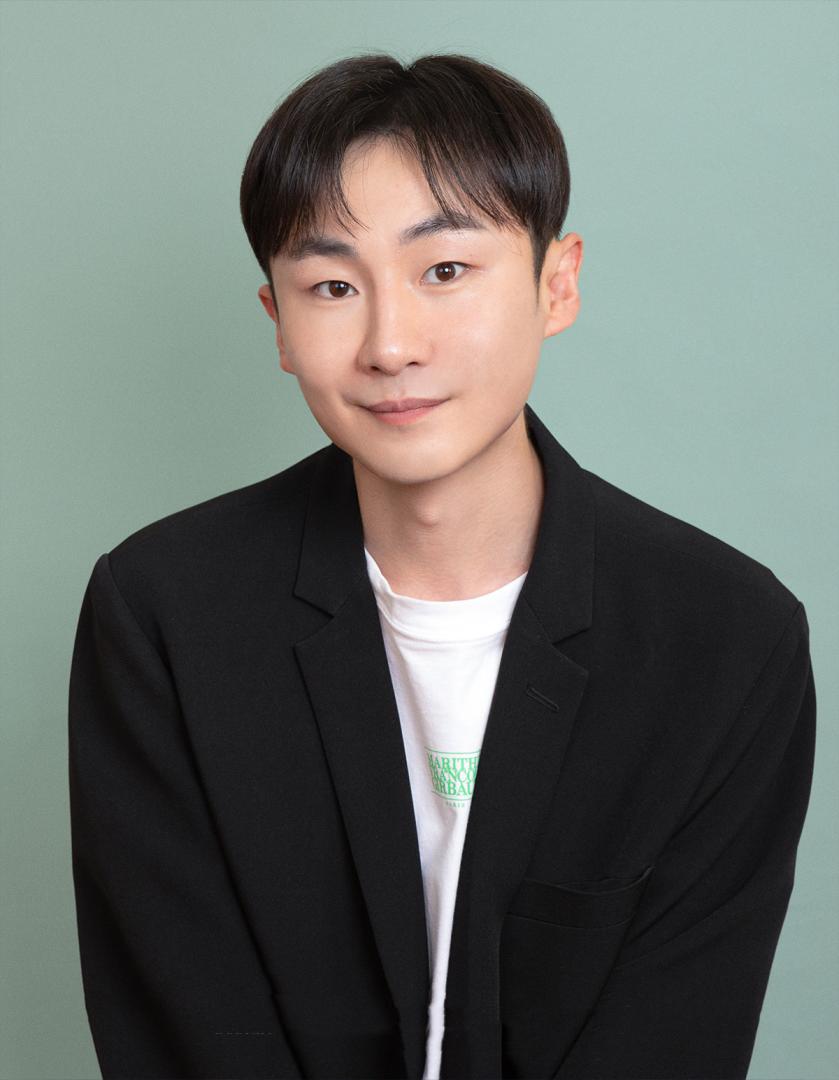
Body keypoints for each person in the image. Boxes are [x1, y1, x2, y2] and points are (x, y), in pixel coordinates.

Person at [68, 53, 816, 1080]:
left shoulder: (723, 639)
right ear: (277, 323)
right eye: (332, 286)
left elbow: (672, 1040)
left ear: (556, 284)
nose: (390, 344)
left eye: (445, 271)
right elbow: (184, 1033)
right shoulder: (163, 614)